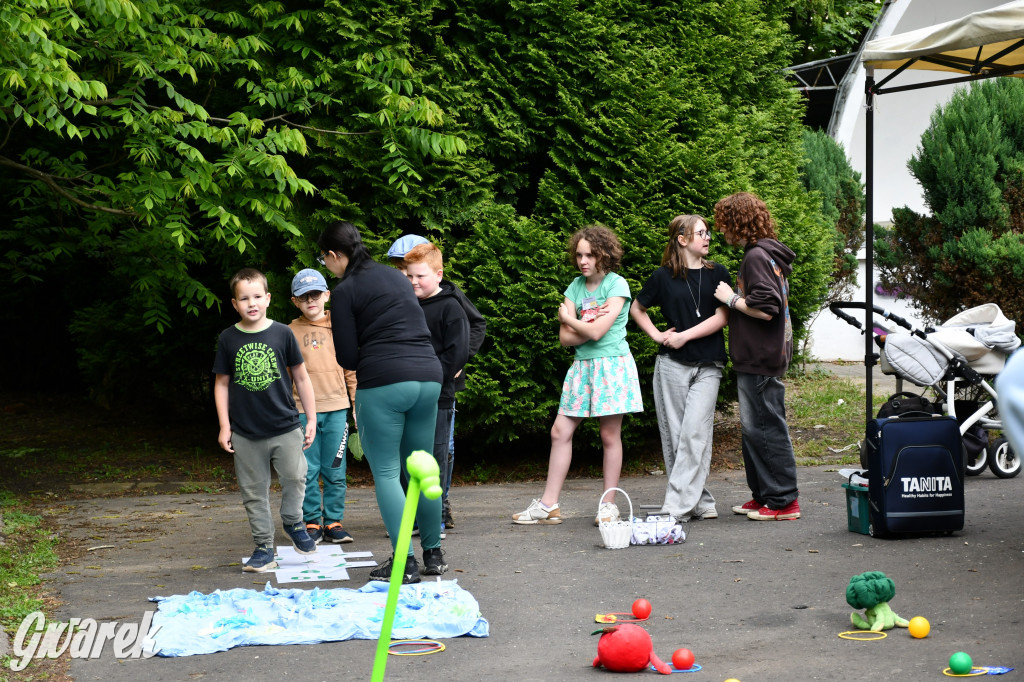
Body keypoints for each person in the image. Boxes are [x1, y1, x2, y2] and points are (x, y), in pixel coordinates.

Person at [318, 221, 446, 583]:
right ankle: (434, 554)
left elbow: (347, 357)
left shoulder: (345, 291)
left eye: (324, 259)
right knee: (421, 467)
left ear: (332, 255)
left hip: (385, 383)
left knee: (389, 472)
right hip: (428, 376)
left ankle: (404, 562)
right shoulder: (395, 276)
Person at [512, 224, 643, 526]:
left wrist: (572, 320)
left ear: (604, 255)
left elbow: (595, 331)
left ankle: (608, 506)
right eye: (579, 255)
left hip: (611, 366)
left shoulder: (617, 285)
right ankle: (548, 505)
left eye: (590, 255)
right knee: (560, 432)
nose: (583, 261)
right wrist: (580, 328)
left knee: (609, 435)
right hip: (582, 368)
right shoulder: (575, 287)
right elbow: (565, 338)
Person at [212, 268, 319, 572]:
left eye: (257, 296)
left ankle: (294, 522)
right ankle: (263, 547)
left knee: (297, 477)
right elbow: (221, 384)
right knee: (253, 491)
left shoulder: (283, 333)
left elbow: (301, 376)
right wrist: (224, 425)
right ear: (235, 304)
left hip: (285, 426)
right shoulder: (228, 338)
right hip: (246, 433)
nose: (252, 303)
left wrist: (310, 418)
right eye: (244, 298)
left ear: (268, 298)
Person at [630, 215, 731, 522]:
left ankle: (675, 508)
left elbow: (723, 317)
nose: (708, 237)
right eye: (701, 232)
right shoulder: (662, 276)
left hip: (709, 363)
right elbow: (637, 308)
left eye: (708, 232)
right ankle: (699, 501)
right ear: (683, 240)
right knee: (675, 436)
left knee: (695, 433)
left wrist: (685, 335)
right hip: (671, 364)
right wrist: (656, 335)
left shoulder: (718, 273)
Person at [387, 234, 487, 530]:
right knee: (411, 449)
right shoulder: (401, 297)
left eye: (413, 273)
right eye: (401, 271)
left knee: (440, 449)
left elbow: (474, 327)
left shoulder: (451, 298)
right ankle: (414, 510)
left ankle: (438, 509)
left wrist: (457, 363)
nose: (408, 279)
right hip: (409, 388)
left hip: (440, 387)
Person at [712, 192, 800, 521]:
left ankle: (783, 501)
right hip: (761, 355)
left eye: (725, 223)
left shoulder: (756, 257)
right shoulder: (766, 254)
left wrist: (731, 299)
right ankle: (763, 494)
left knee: (765, 428)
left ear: (739, 222)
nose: (722, 231)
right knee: (754, 428)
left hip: (760, 356)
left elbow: (767, 308)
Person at [404, 243, 470, 535]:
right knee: (410, 454)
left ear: (439, 275)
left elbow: (457, 352)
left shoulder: (451, 307)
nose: (414, 282)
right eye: (409, 277)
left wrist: (431, 378)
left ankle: (435, 517)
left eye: (420, 276)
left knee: (436, 456)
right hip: (407, 395)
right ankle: (415, 515)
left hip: (438, 396)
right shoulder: (406, 305)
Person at [288, 268, 358, 545]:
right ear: (295, 301)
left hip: (338, 409)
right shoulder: (289, 332)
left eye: (316, 294)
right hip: (304, 413)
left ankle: (334, 522)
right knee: (309, 469)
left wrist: (355, 403)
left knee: (335, 469)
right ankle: (312, 521)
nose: (311, 300)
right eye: (304, 297)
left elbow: (350, 369)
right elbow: (285, 374)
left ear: (327, 295)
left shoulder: (340, 326)